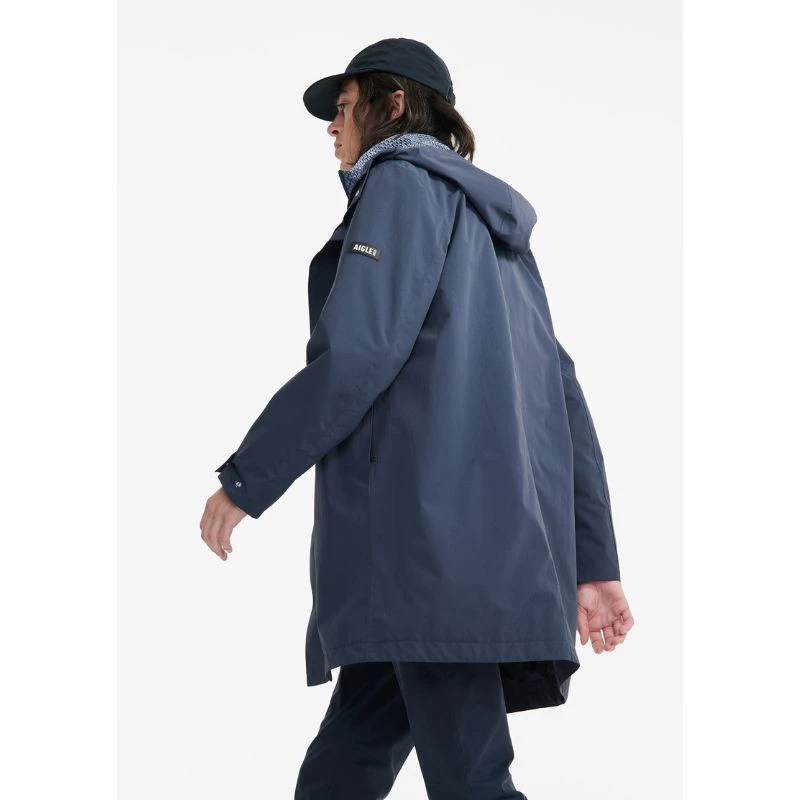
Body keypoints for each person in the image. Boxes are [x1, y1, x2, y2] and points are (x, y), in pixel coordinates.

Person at [199, 37, 635, 800]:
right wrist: (593, 563)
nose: (331, 126)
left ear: (394, 105)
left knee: (471, 782)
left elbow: (357, 353)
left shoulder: (401, 186)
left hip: (424, 555)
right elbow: (564, 400)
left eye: (343, 107)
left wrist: (248, 479)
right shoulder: (497, 238)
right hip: (449, 562)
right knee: (345, 767)